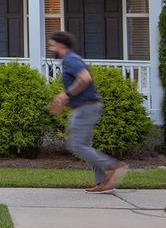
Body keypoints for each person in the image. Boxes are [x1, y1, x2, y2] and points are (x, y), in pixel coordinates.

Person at [48, 31, 128, 193]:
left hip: (86, 108)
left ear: (61, 45)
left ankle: (113, 166)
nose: (50, 47)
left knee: (77, 145)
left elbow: (84, 79)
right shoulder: (69, 60)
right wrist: (64, 101)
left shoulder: (71, 59)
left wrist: (65, 95)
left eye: (52, 44)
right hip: (85, 106)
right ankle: (103, 181)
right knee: (85, 146)